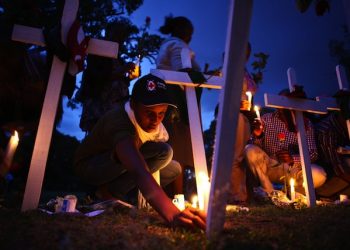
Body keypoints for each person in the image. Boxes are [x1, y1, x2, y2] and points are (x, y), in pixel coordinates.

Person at [73, 74, 206, 230]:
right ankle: (106, 193)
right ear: (134, 104)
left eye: (161, 113)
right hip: (92, 167)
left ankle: (119, 192)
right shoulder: (119, 121)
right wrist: (173, 215)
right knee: (162, 152)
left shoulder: (157, 128)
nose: (155, 120)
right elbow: (138, 169)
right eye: (149, 113)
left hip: (121, 166)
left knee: (173, 166)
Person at [244, 88, 327, 198]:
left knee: (319, 174)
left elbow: (313, 153)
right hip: (271, 167)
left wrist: (293, 158)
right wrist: (258, 135)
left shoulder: (305, 124)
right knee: (249, 149)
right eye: (282, 101)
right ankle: (270, 192)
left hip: (294, 169)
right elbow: (254, 152)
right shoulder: (266, 120)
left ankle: (291, 192)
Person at [155, 16, 202, 196]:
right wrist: (201, 77)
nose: (190, 38)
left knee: (173, 146)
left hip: (167, 98)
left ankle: (170, 193)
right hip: (178, 102)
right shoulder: (178, 46)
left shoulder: (167, 44)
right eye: (190, 34)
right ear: (184, 32)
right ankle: (176, 195)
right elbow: (182, 72)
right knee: (178, 149)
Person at [77, 20, 136, 133]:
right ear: (108, 33)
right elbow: (97, 77)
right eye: (118, 33)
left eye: (123, 35)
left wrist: (129, 78)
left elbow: (120, 80)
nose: (120, 38)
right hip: (99, 107)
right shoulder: (98, 51)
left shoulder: (118, 58)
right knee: (97, 137)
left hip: (116, 108)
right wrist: (122, 70)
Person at [229, 42, 258, 205]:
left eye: (247, 52)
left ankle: (243, 194)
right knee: (236, 156)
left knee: (242, 156)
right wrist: (237, 104)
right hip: (235, 116)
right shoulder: (231, 70)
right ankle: (236, 195)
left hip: (245, 116)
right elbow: (225, 95)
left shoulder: (243, 70)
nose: (245, 55)